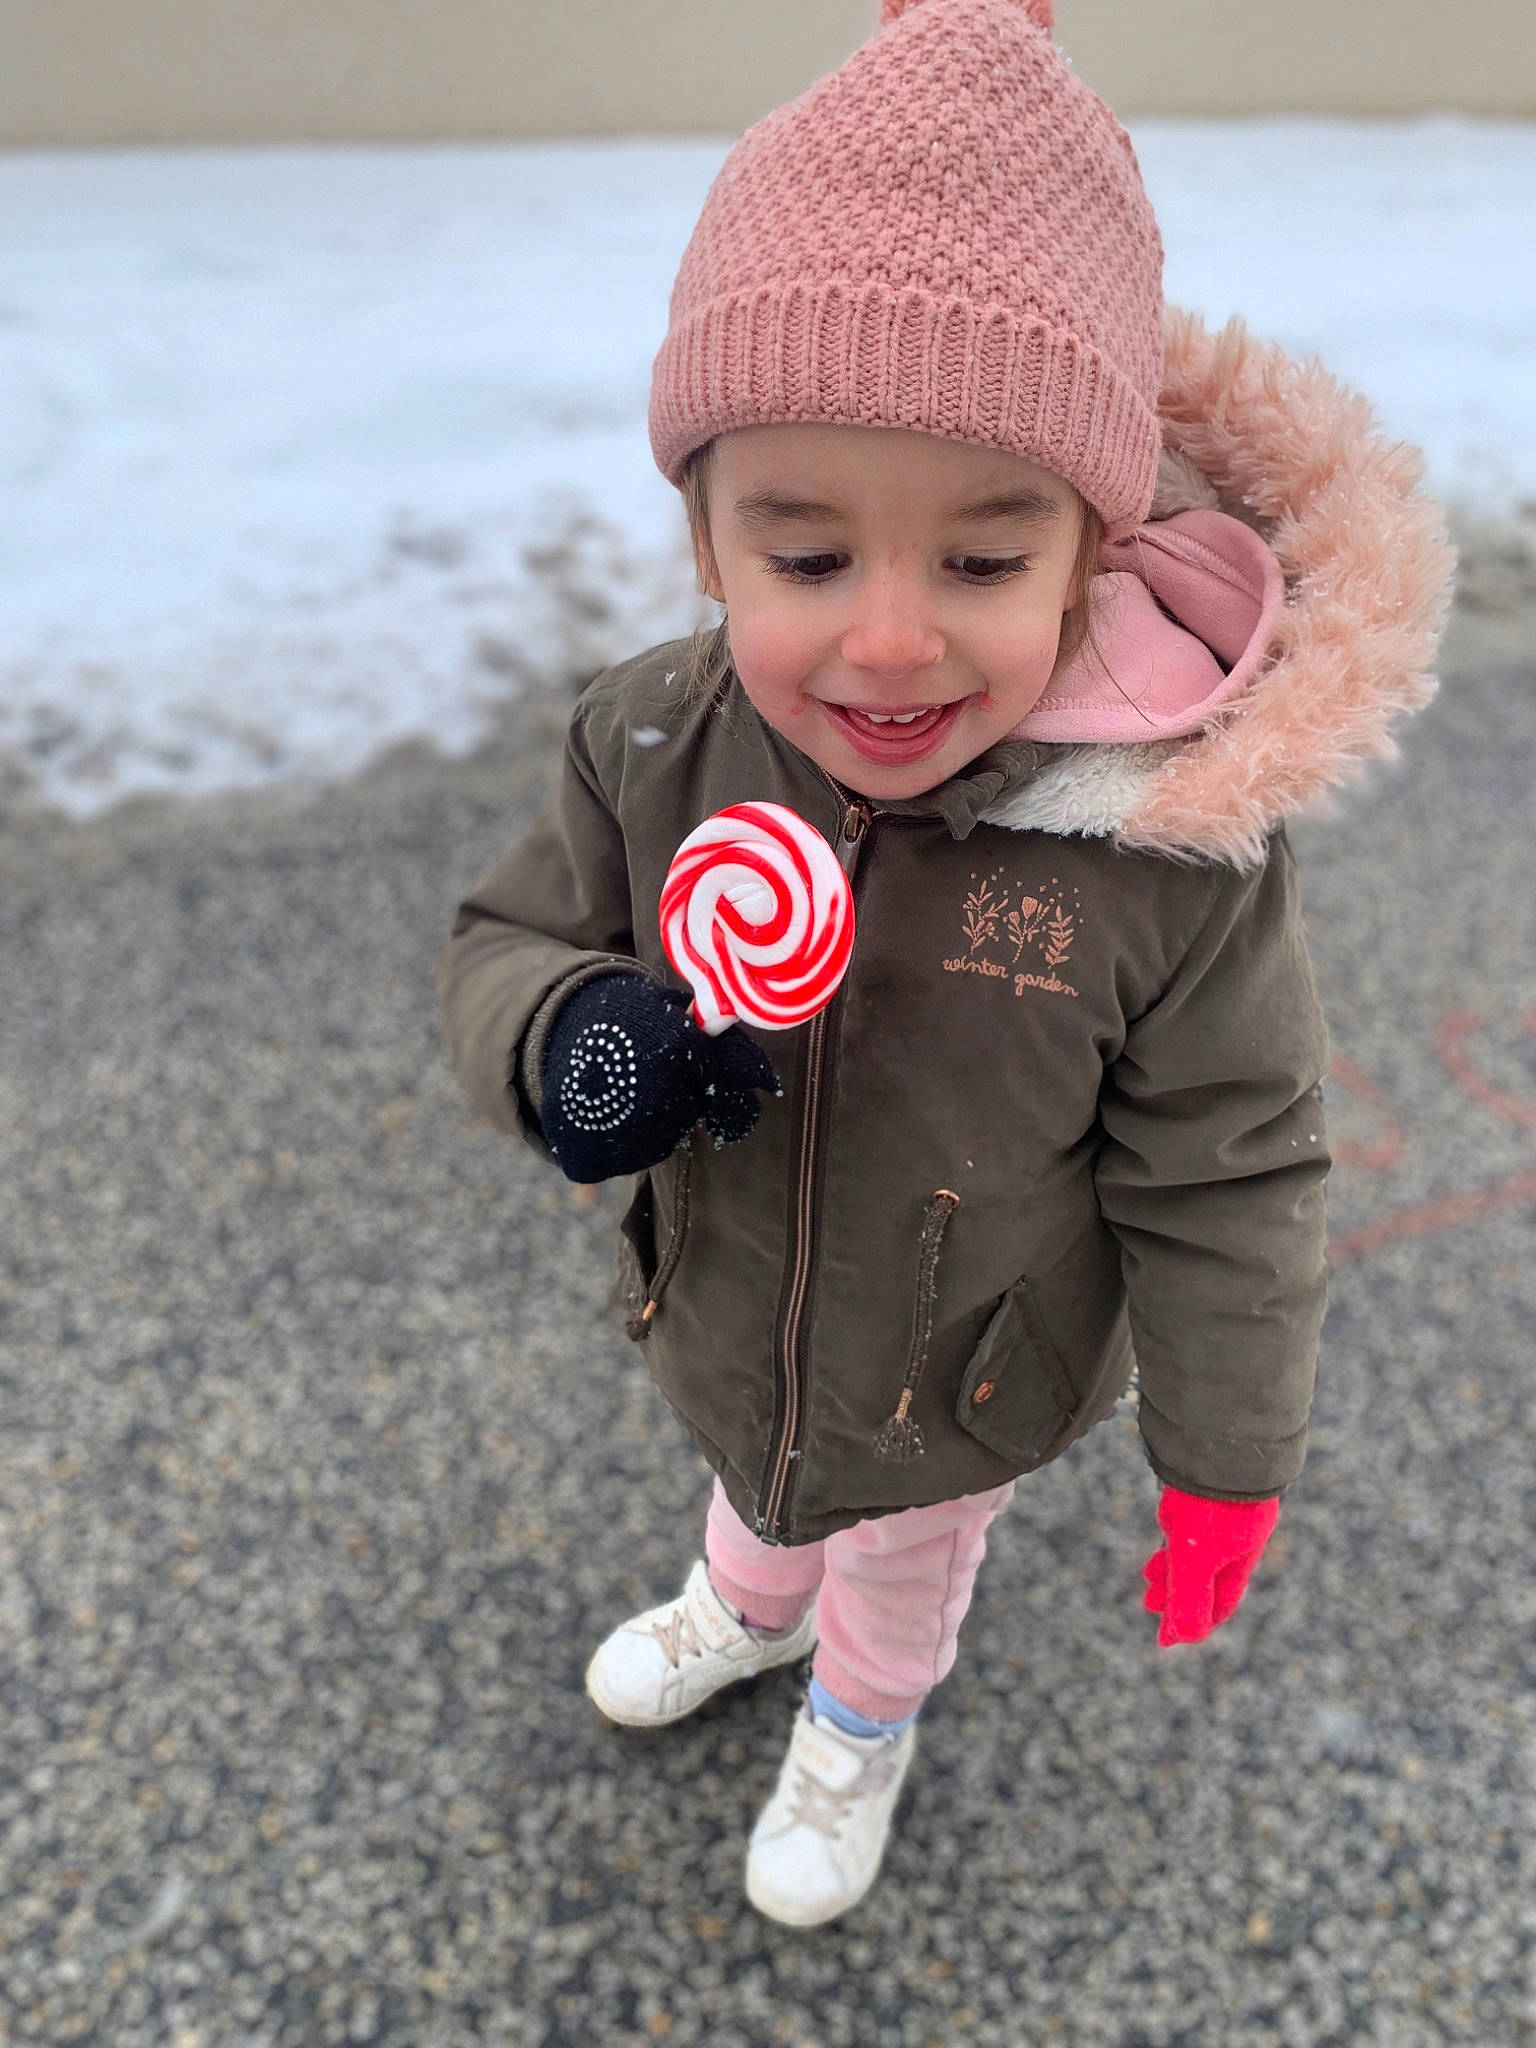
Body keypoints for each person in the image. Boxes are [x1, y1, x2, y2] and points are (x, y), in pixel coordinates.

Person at [436, 0, 1454, 1927]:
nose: (889, 644)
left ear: (1095, 542)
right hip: (735, 1310)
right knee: (761, 1477)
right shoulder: (649, 739)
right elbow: (510, 938)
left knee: (899, 1557)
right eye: (807, 557)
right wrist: (573, 1032)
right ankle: (744, 1608)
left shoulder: (1166, 844)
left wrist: (1228, 1455)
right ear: (706, 542)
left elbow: (1232, 1164)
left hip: (971, 1371)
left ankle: (858, 1723)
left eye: (983, 562)